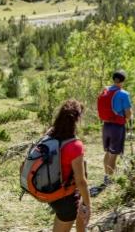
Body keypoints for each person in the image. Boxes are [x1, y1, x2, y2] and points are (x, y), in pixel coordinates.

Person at [47, 99, 91, 232]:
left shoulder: (50, 134)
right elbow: (81, 182)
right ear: (76, 120)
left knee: (67, 219)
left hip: (52, 192)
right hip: (66, 198)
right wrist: (89, 205)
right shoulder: (75, 146)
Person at [101, 70, 132, 186]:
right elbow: (128, 113)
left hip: (106, 125)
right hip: (117, 127)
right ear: (123, 81)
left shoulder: (105, 90)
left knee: (108, 152)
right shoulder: (124, 94)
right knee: (114, 154)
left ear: (113, 79)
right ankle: (110, 179)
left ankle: (106, 175)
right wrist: (127, 120)